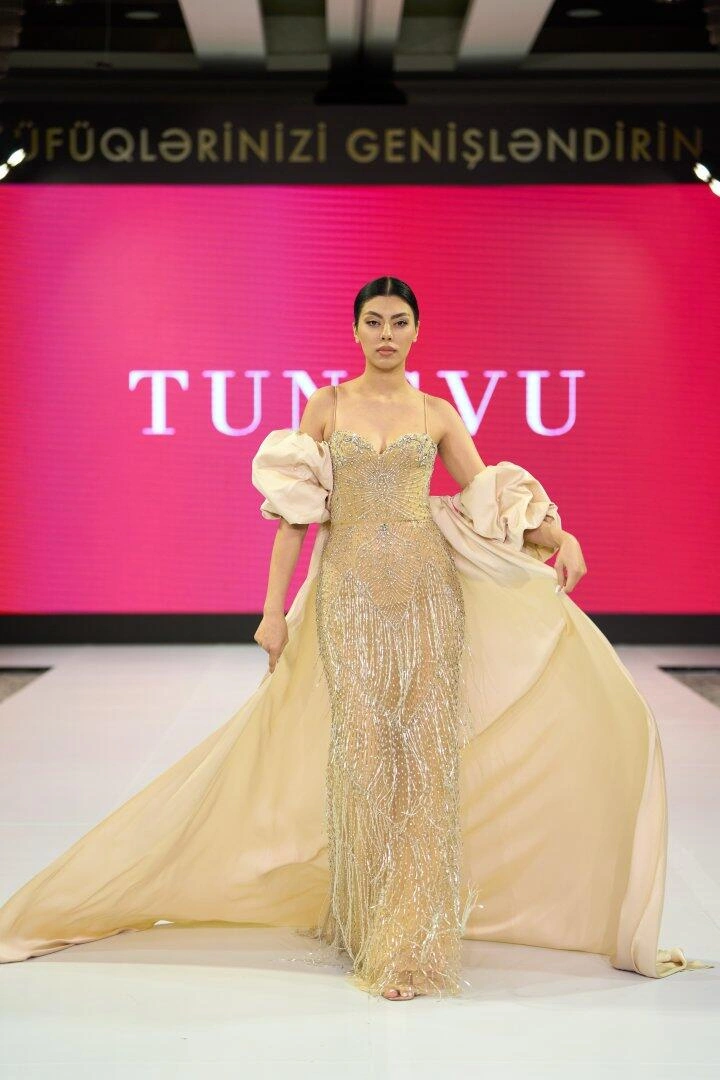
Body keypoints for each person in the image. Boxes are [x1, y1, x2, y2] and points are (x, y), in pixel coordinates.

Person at [0, 277, 711, 1001]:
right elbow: (296, 516)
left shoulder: (437, 412)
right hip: (348, 598)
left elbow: (484, 496)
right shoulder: (327, 405)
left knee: (424, 758)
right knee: (364, 754)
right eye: (374, 321)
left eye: (399, 322)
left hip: (429, 597)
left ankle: (412, 935)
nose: (386, 334)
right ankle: (367, 920)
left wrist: (560, 534)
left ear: (417, 331)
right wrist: (273, 611)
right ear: (356, 329)